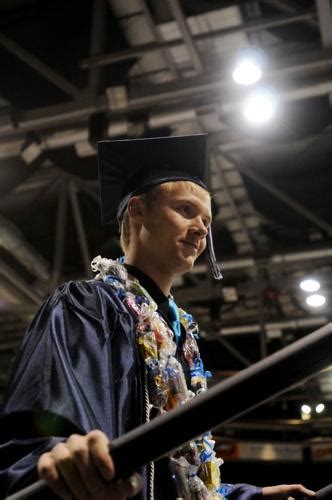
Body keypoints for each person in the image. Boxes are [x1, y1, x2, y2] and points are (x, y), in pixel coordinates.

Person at [0, 135, 316, 500]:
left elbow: (177, 474)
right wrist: (63, 456)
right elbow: (41, 438)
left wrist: (247, 497)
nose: (201, 228)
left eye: (207, 219)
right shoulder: (88, 306)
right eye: (185, 209)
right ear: (136, 210)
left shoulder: (181, 336)